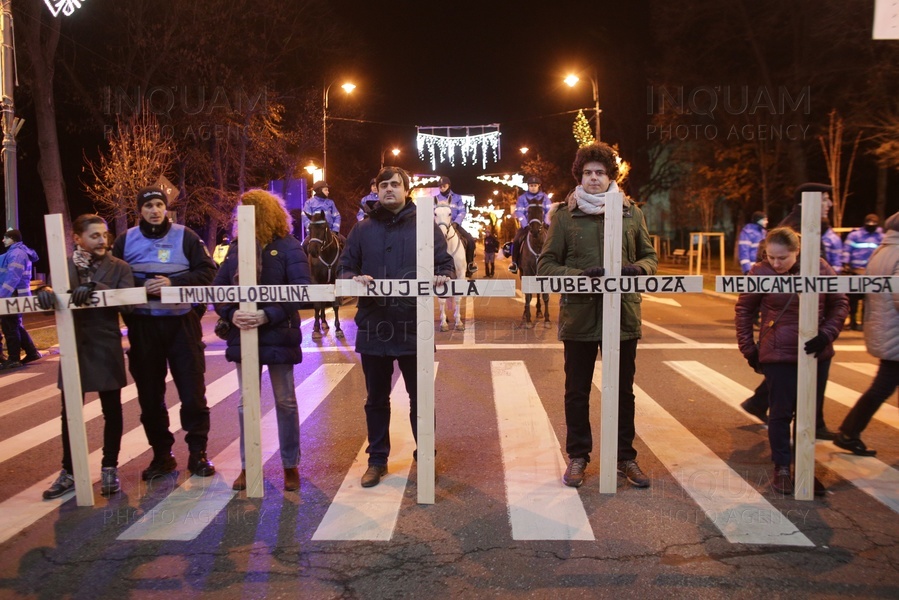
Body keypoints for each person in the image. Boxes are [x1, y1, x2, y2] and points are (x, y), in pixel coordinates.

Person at [537, 142, 658, 489]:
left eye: (600, 173)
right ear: (580, 176)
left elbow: (650, 256)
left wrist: (638, 268)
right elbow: (546, 265)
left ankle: (625, 458)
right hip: (579, 317)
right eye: (588, 173)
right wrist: (578, 277)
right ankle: (578, 456)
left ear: (610, 177)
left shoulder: (631, 212)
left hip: (623, 316)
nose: (593, 178)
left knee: (623, 391)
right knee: (576, 391)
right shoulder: (563, 214)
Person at [339, 166, 455, 488]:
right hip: (374, 325)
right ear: (376, 190)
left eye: (396, 184)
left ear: (406, 190)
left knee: (420, 397)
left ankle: (426, 454)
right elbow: (345, 268)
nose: (389, 189)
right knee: (376, 399)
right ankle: (377, 459)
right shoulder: (362, 230)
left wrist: (444, 276)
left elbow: (445, 265)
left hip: (413, 326)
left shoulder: (425, 226)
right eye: (384, 185)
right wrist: (354, 280)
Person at [112, 186, 218, 480]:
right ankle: (162, 455)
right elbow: (112, 277)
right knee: (149, 397)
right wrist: (138, 286)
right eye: (148, 206)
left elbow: (209, 272)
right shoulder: (125, 240)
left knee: (193, 395)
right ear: (140, 211)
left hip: (181, 324)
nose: (154, 210)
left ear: (165, 207)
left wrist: (174, 283)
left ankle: (198, 454)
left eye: (159, 204)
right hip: (143, 326)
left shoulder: (186, 236)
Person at [735, 227, 848, 495]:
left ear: (797, 252)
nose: (776, 264)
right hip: (779, 353)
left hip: (816, 353)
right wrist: (748, 349)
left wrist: (826, 335)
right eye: (771, 257)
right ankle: (782, 468)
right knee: (781, 412)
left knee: (809, 415)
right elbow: (744, 309)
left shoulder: (819, 267)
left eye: (782, 258)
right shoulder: (760, 271)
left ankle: (805, 469)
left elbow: (840, 303)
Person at [214, 190, 312, 492]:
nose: (241, 217)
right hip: (243, 334)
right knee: (247, 404)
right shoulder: (235, 250)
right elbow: (218, 290)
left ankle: (289, 464)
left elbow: (301, 289)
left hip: (278, 333)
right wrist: (231, 315)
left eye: (249, 211)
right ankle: (248, 465)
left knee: (285, 402)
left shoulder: (288, 247)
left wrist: (267, 315)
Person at [36, 215, 135, 498]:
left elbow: (130, 305)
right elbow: (53, 303)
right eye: (94, 236)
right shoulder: (63, 266)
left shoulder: (120, 267)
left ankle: (109, 467)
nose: (102, 240)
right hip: (74, 348)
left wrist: (98, 289)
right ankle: (69, 470)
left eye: (104, 235)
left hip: (105, 347)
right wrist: (44, 293)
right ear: (77, 239)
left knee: (112, 410)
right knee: (69, 413)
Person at [834, 211, 899, 457]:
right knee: (882, 386)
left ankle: (849, 432)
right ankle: (849, 432)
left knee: (883, 384)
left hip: (885, 326)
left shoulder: (882, 250)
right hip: (895, 328)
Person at [0, 229, 42, 370]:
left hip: (13, 295)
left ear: (12, 239)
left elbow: (13, 277)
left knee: (9, 326)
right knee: (15, 325)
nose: (3, 240)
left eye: (5, 238)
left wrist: (1, 295)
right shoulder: (17, 253)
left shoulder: (17, 254)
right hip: (16, 293)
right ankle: (31, 352)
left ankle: (13, 359)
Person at [842, 213, 884, 330]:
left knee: (870, 300)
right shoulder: (855, 235)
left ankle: (866, 324)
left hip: (873, 273)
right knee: (853, 300)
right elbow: (847, 250)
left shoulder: (881, 237)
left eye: (873, 225)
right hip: (856, 271)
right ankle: (853, 322)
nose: (871, 226)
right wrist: (845, 264)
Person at [434, 176, 477, 276]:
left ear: (449, 185)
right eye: (440, 186)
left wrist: (456, 222)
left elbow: (462, 212)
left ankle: (470, 265)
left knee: (470, 241)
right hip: (438, 227)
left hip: (454, 224)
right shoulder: (434, 199)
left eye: (444, 186)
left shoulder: (457, 198)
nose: (442, 188)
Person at [509, 176, 552, 274]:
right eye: (531, 185)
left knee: (557, 240)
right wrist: (525, 224)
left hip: (542, 225)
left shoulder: (545, 197)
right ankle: (514, 263)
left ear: (538, 186)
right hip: (528, 226)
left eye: (535, 185)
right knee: (516, 241)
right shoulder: (522, 198)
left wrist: (546, 222)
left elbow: (549, 211)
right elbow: (519, 212)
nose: (533, 187)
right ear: (528, 186)